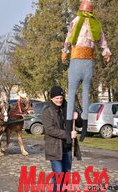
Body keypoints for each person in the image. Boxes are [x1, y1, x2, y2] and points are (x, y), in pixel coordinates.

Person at [61, 0, 111, 143]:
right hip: (81, 60)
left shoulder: (88, 23)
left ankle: (79, 128)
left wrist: (105, 51)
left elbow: (101, 40)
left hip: (83, 60)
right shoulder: (85, 22)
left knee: (79, 94)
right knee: (78, 94)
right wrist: (65, 50)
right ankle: (74, 128)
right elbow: (70, 37)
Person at [42, 86, 82, 192]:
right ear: (51, 98)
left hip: (68, 148)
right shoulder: (47, 111)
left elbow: (80, 124)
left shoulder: (68, 108)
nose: (59, 100)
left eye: (61, 98)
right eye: (57, 98)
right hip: (54, 149)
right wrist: (68, 134)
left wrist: (77, 117)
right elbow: (50, 130)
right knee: (58, 176)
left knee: (66, 175)